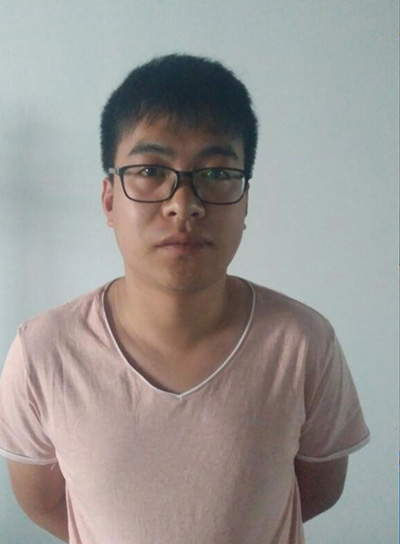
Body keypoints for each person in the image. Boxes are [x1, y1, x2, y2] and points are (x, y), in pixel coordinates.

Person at [0, 54, 370, 544]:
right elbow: (44, 502)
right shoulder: (43, 352)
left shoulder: (303, 343)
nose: (183, 204)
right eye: (151, 170)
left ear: (244, 202)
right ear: (110, 200)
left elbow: (316, 489)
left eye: (216, 174)